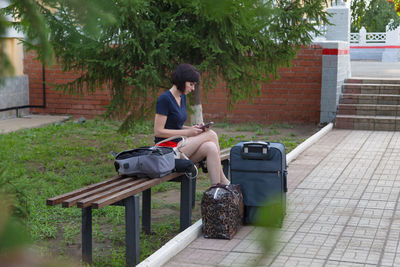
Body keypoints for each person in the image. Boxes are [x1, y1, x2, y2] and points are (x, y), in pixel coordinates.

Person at [154, 63, 229, 186]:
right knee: (211, 134)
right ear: (182, 81)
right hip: (167, 151)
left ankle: (217, 187)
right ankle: (224, 181)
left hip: (180, 146)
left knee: (211, 147)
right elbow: (159, 131)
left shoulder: (182, 97)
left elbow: (175, 125)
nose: (193, 88)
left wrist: (194, 128)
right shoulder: (164, 99)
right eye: (191, 84)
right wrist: (187, 132)